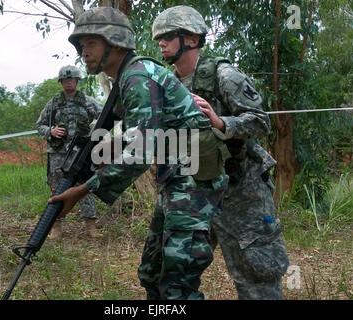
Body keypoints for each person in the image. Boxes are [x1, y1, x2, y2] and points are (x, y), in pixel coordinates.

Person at [48, 7, 230, 300]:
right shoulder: (128, 78)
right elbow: (145, 136)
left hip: (195, 183)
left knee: (177, 285)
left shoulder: (137, 78)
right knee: (152, 273)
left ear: (115, 42)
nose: (84, 52)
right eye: (81, 46)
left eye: (91, 44)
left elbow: (141, 151)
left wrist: (83, 190)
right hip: (177, 178)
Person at [152, 5, 290, 300]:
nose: (160, 43)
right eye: (158, 39)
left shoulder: (225, 76)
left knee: (257, 275)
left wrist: (220, 121)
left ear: (190, 39)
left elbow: (260, 122)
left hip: (240, 193)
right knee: (176, 273)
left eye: (166, 36)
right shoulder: (168, 84)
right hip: (195, 191)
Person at [36, 65, 103, 239]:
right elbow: (39, 125)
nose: (69, 83)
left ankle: (90, 226)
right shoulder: (54, 102)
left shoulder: (87, 101)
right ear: (61, 82)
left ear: (77, 81)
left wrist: (95, 137)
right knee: (57, 190)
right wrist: (50, 131)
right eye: (66, 80)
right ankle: (56, 225)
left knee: (84, 186)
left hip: (81, 153)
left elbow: (104, 117)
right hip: (58, 153)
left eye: (72, 79)